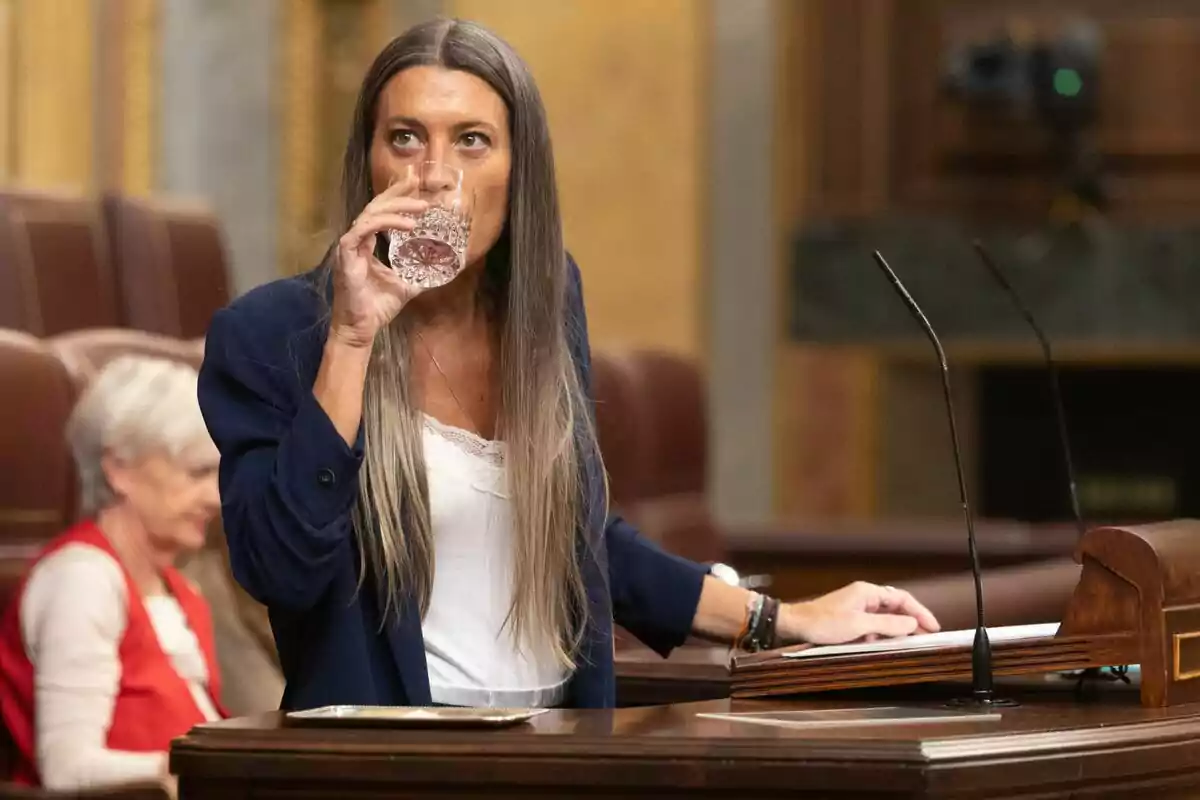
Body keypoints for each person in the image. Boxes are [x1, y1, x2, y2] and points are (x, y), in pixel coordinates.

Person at [197, 18, 939, 712]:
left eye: (473, 141)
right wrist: (353, 340)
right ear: (368, 161)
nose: (434, 173)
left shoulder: (546, 302)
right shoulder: (274, 335)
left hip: (561, 748)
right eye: (404, 137)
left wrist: (781, 619)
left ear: (521, 170)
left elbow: (576, 538)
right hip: (394, 763)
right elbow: (280, 572)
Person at [0, 356, 224, 794]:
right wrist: (210, 771)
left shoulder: (182, 591)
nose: (215, 496)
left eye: (217, 472)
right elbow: (67, 769)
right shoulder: (81, 580)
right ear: (119, 469)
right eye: (196, 472)